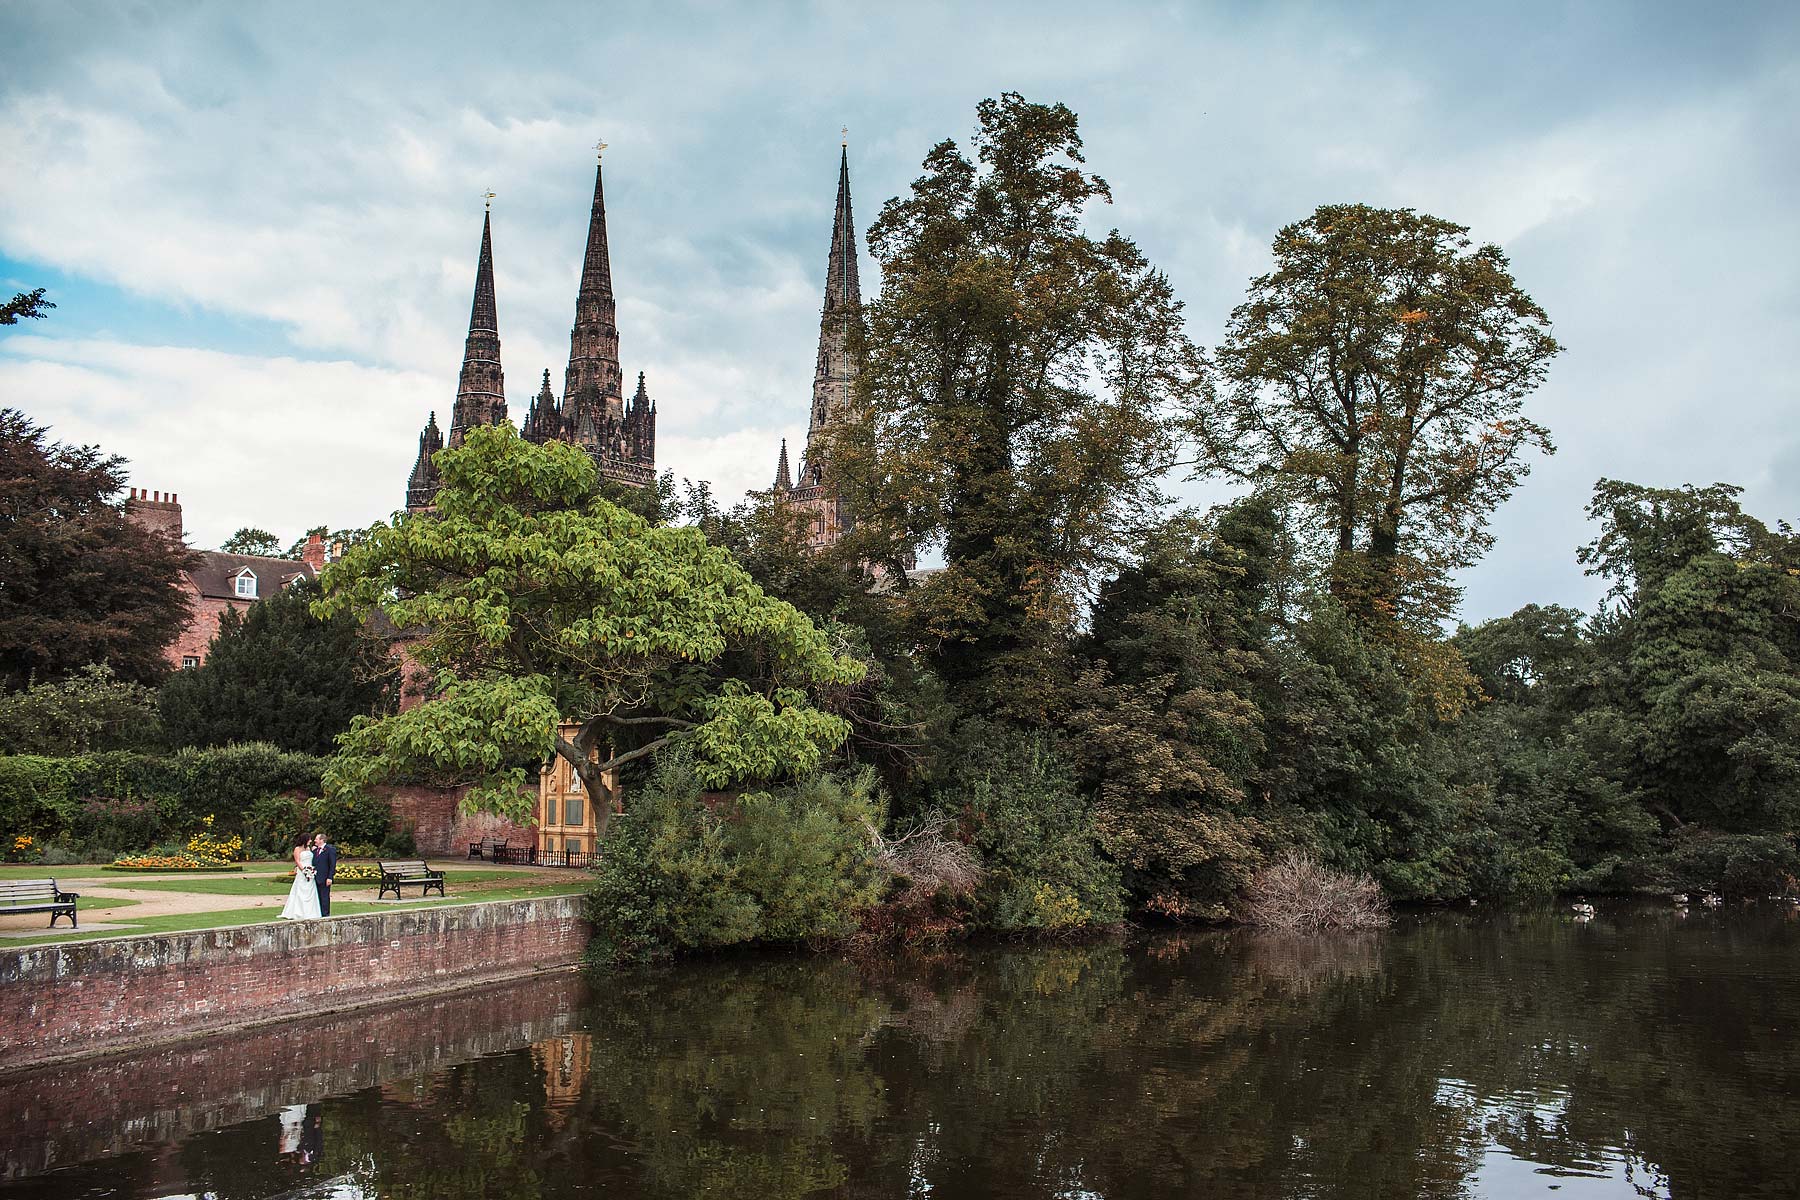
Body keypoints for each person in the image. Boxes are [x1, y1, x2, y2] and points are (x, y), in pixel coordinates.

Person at [280, 833, 321, 921]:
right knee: (300, 891)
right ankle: (298, 911)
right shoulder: (297, 849)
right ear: (305, 840)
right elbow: (298, 861)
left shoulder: (309, 848)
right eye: (309, 839)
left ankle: (311, 912)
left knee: (310, 891)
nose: (311, 841)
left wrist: (311, 871)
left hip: (310, 871)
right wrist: (304, 870)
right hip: (303, 871)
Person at [312, 831, 338, 916]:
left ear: (322, 840)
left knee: (324, 897)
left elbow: (332, 864)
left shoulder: (330, 849)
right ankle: (318, 913)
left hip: (325, 878)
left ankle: (325, 915)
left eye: (316, 839)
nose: (315, 840)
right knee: (317, 897)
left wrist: (330, 877)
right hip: (315, 877)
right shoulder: (315, 851)